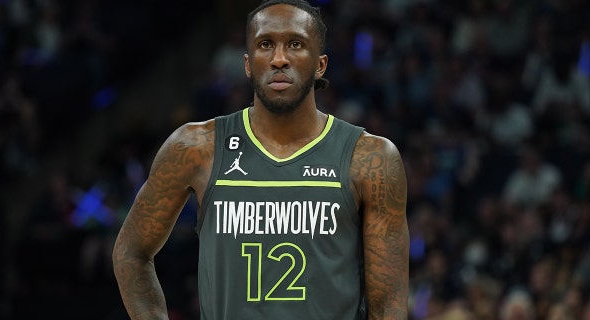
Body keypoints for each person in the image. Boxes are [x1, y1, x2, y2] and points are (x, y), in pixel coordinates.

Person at [112, 0, 409, 319]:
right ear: (248, 64)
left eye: (296, 44)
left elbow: (388, 304)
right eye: (265, 45)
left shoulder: (370, 158)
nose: (279, 59)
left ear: (320, 64)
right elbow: (131, 253)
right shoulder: (196, 147)